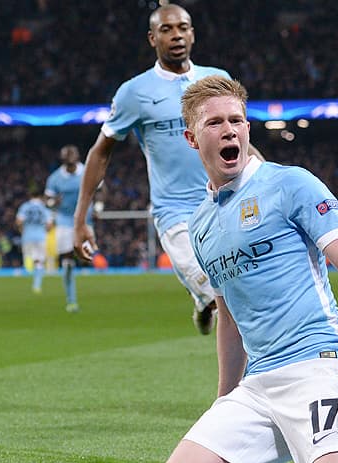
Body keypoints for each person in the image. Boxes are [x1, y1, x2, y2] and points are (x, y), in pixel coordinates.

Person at [158, 75, 338, 463]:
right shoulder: (200, 225)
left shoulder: (289, 183)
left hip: (320, 367)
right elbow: (228, 316)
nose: (229, 131)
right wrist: (225, 399)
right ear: (192, 138)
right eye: (215, 123)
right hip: (257, 387)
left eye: (236, 121)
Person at [73, 3, 265, 335]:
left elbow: (240, 140)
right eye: (167, 29)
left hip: (227, 202)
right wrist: (80, 219)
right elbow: (100, 152)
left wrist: (269, 178)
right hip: (176, 214)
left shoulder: (216, 80)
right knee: (227, 293)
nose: (176, 35)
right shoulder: (135, 93)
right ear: (152, 38)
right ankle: (245, 371)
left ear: (192, 33)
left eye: (183, 27)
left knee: (241, 285)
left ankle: (204, 303)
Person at [46, 145, 97, 313]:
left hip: (84, 219)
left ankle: (89, 293)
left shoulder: (87, 171)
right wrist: (54, 203)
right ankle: (71, 299)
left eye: (72, 154)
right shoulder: (55, 178)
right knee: (67, 259)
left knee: (87, 257)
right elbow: (48, 200)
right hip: (65, 220)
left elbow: (102, 189)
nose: (69, 157)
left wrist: (99, 207)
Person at [16, 188, 53, 294]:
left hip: (27, 236)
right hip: (40, 236)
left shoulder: (25, 206)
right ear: (40, 197)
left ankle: (28, 265)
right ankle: (37, 284)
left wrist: (23, 231)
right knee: (40, 261)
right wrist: (43, 230)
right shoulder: (44, 208)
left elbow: (18, 221)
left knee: (28, 257)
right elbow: (49, 225)